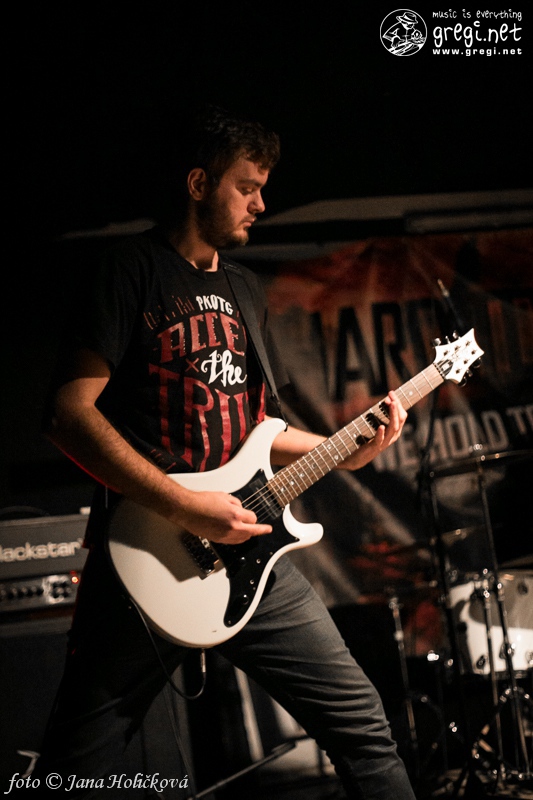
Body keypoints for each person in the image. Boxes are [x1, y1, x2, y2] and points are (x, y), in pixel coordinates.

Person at [33, 106, 415, 799]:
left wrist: (350, 449)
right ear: (198, 183)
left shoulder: (242, 288)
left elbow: (260, 428)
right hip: (146, 553)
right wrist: (185, 508)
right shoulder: (128, 271)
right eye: (247, 187)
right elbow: (67, 416)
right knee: (73, 769)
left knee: (363, 727)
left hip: (249, 556)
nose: (261, 204)